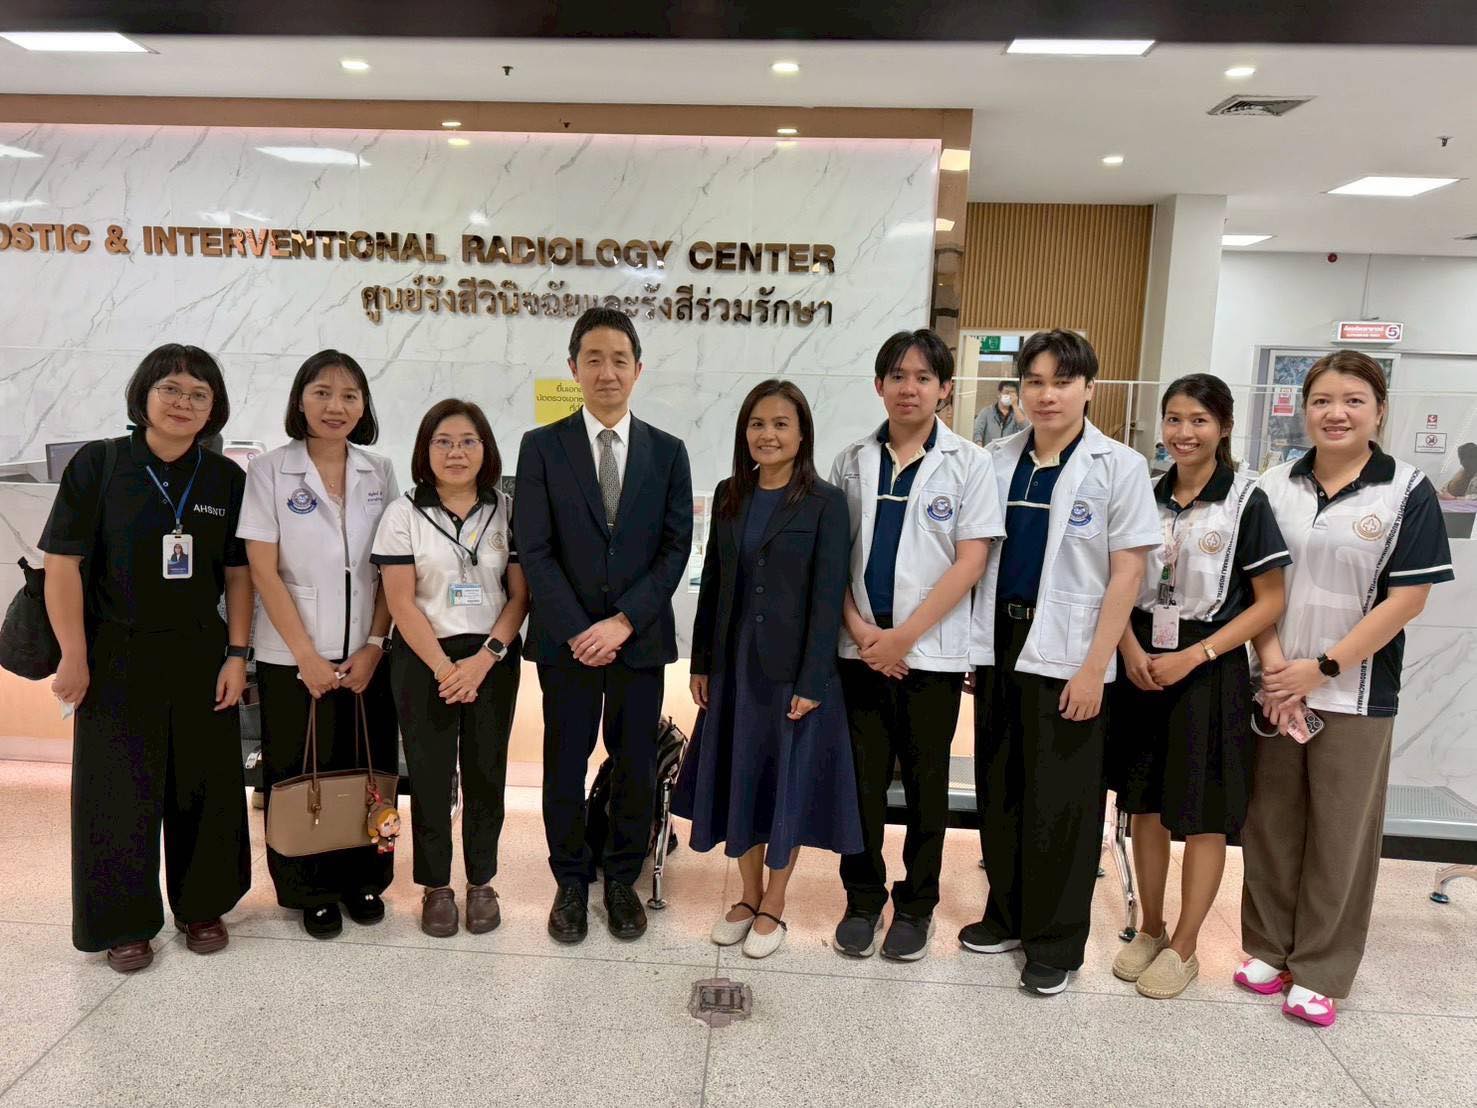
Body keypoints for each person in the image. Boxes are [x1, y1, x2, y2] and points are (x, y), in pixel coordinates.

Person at [1239, 350, 1454, 1027]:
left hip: (1355, 692)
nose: (1336, 413)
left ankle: (1321, 969)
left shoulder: (1407, 490)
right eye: (1323, 400)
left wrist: (1321, 669)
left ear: (1379, 411)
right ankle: (1268, 948)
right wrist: (1277, 669)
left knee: (1341, 835)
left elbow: (1407, 599)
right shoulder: (1272, 486)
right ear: (1304, 409)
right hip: (1275, 685)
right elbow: (1255, 587)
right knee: (1271, 824)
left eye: (1353, 400)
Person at [41, 344, 252, 973]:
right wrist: (73, 656)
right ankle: (123, 922)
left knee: (206, 785)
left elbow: (239, 575)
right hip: (116, 651)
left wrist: (237, 655)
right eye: (171, 389)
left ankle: (202, 905)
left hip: (200, 651)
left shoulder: (225, 479)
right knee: (115, 792)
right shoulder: (100, 464)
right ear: (144, 395)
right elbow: (62, 565)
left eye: (199, 394)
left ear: (214, 408)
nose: (184, 403)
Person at [964, 329, 1160, 997]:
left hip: (1073, 652)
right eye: (1035, 382)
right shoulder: (995, 459)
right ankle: (1007, 914)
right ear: (1017, 389)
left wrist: (1094, 667)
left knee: (1063, 801)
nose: (1046, 395)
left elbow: (1127, 573)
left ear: (1089, 389)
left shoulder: (1118, 466)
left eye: (1062, 382)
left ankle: (1055, 940)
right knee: (1001, 785)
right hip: (999, 644)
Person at [1107, 374, 1291, 1000]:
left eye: (1199, 421)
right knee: (1145, 807)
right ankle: (1151, 928)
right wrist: (1130, 650)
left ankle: (1185, 946)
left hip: (1209, 669)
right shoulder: (1143, 493)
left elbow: (1270, 602)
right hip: (1140, 662)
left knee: (1204, 814)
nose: (1184, 433)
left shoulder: (1245, 501)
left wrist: (1197, 655)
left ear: (1224, 427)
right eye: (1174, 419)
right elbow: (1113, 582)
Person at [513, 308, 692, 944]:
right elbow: (534, 549)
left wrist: (622, 622)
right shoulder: (541, 447)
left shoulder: (668, 453)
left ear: (638, 370)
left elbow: (675, 548)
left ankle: (621, 879)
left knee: (635, 762)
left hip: (637, 641)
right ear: (574, 368)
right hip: (566, 645)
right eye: (594, 359)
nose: (607, 371)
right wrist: (578, 630)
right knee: (564, 763)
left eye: (620, 360)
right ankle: (569, 880)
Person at [830, 329, 1003, 962]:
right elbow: (833, 558)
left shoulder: (970, 463)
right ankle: (862, 898)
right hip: (860, 652)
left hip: (929, 657)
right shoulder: (851, 460)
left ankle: (916, 904)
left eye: (924, 378)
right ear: (879, 385)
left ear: (945, 390)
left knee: (928, 787)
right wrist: (862, 633)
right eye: (898, 376)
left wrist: (901, 638)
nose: (910, 388)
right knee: (862, 785)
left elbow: (971, 561)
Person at [674, 379, 862, 959]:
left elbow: (828, 597)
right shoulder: (730, 494)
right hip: (734, 670)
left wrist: (813, 679)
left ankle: (775, 902)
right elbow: (712, 584)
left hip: (791, 674)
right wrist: (702, 662)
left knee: (784, 785)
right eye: (757, 424)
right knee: (742, 779)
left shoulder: (826, 502)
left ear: (802, 433)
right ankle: (747, 895)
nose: (768, 434)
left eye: (781, 424)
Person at [237, 350, 399, 938]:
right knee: (300, 771)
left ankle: (365, 876)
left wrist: (376, 644)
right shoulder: (269, 470)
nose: (336, 406)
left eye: (350, 395)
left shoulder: (379, 470)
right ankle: (309, 889)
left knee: (367, 766)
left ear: (364, 406)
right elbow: (262, 570)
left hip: (366, 655)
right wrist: (306, 656)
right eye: (322, 392)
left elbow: (392, 567)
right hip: (291, 657)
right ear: (300, 400)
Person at [372, 399, 526, 938]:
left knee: (487, 773)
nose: (455, 452)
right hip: (423, 660)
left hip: (492, 659)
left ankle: (482, 881)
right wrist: (444, 668)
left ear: (486, 450)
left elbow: (519, 596)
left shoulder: (508, 510)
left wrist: (484, 659)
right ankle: (436, 885)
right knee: (430, 776)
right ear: (425, 450)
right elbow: (399, 600)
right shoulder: (403, 514)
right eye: (443, 442)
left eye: (467, 441)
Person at [973, 380, 1028, 447]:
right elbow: (977, 432)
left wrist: (1015, 406)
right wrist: (980, 447)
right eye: (1007, 393)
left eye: (1012, 394)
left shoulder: (1018, 413)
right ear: (999, 394)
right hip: (989, 451)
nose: (1009, 396)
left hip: (1009, 451)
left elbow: (1025, 428)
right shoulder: (986, 412)